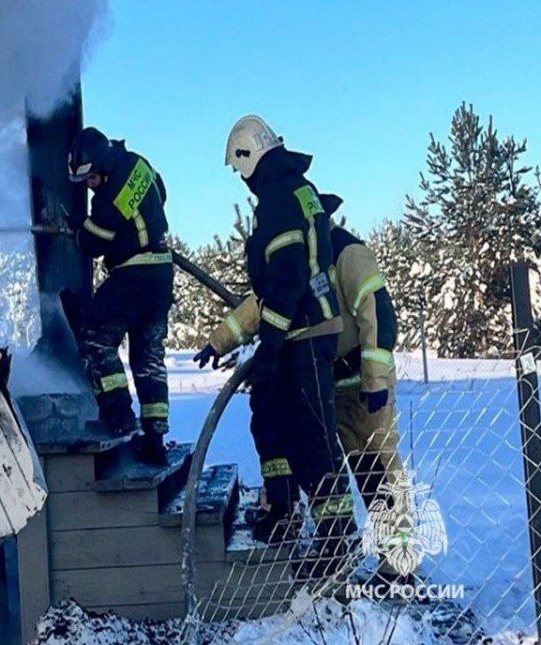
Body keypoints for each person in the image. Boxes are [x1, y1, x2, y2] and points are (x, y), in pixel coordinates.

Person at [197, 193, 404, 516]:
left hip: (361, 384)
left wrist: (374, 379)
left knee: (376, 468)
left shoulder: (347, 252)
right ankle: (329, 539)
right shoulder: (301, 259)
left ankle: (397, 561)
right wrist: (218, 342)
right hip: (323, 380)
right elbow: (259, 305)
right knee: (319, 458)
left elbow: (378, 315)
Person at [206, 115, 355, 562]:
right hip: (298, 329)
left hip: (305, 333)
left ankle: (336, 537)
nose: (242, 179)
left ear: (249, 155)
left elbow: (287, 279)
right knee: (269, 415)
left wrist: (269, 346)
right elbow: (275, 286)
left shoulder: (277, 199)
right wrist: (224, 340)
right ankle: (283, 507)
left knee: (313, 435)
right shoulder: (296, 189)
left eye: (239, 168)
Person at [67, 126, 174, 464]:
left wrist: (76, 228)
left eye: (91, 178)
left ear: (101, 165)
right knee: (148, 356)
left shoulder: (108, 198)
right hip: (161, 273)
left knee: (95, 338)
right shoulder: (139, 164)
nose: (90, 185)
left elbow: (91, 245)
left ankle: (118, 417)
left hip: (134, 274)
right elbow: (161, 191)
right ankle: (154, 438)